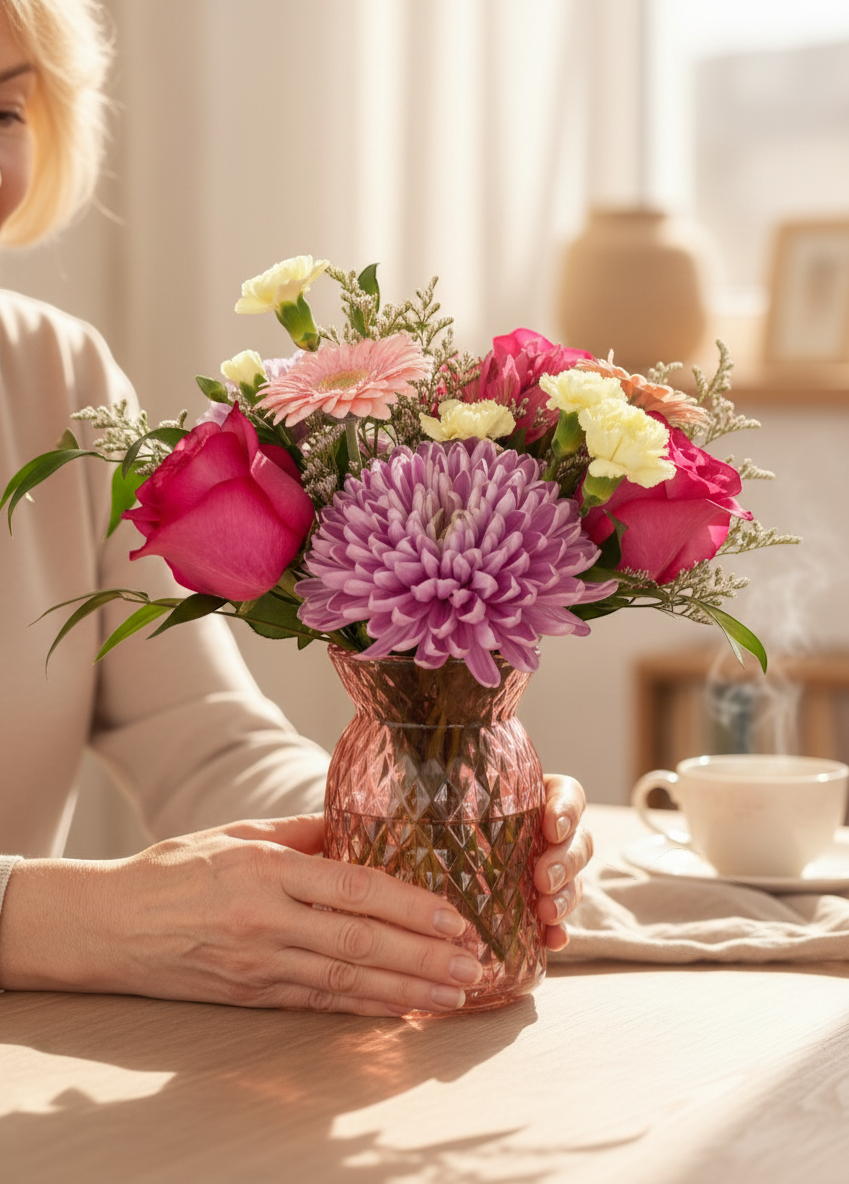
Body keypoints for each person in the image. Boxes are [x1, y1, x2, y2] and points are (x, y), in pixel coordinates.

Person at [0, 0, 592, 1016]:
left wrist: (417, 818)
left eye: (2, 111)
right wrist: (87, 918)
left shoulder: (51, 372)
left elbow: (203, 738)